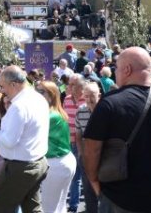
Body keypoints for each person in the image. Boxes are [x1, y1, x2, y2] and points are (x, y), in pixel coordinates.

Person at [83, 47, 151, 213]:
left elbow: (92, 149)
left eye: (117, 69)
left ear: (126, 70)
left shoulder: (109, 103)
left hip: (120, 198)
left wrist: (94, 182)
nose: (115, 74)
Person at [0, 65, 50, 213]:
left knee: (2, 209)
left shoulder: (19, 106)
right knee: (33, 209)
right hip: (37, 163)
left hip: (20, 168)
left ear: (14, 84)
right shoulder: (38, 98)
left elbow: (9, 141)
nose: (2, 91)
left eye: (3, 87)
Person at [37, 81, 76, 213]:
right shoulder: (54, 112)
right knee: (59, 206)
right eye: (37, 91)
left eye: (41, 91)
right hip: (62, 162)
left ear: (51, 95)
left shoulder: (49, 115)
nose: (37, 94)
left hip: (56, 164)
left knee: (50, 208)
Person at [75, 82, 101, 213]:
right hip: (87, 157)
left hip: (104, 157)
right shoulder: (80, 111)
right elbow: (78, 135)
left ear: (99, 95)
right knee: (88, 190)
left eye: (92, 96)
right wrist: (81, 154)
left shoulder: (106, 110)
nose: (89, 99)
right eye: (86, 96)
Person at [63, 74, 87, 213]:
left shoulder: (88, 99)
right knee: (74, 177)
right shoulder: (66, 99)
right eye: (69, 84)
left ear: (80, 86)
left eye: (72, 84)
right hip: (69, 143)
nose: (68, 87)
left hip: (84, 144)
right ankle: (73, 206)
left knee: (88, 176)